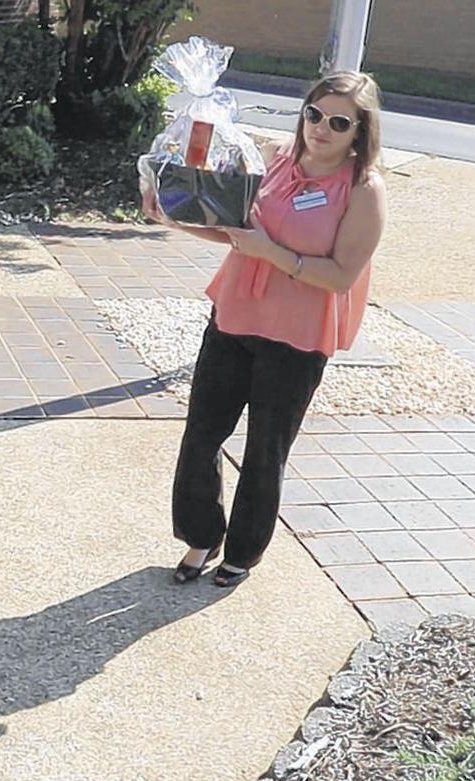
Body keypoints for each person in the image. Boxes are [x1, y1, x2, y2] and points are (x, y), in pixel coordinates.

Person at [143, 71, 387, 588]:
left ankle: (243, 553)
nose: (321, 128)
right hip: (235, 314)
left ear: (360, 132)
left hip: (297, 335)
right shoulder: (272, 157)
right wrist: (171, 215)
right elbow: (233, 228)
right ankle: (201, 535)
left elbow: (342, 274)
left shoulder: (363, 190)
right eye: (314, 113)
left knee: (264, 450)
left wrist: (273, 254)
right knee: (202, 434)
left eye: (339, 121)